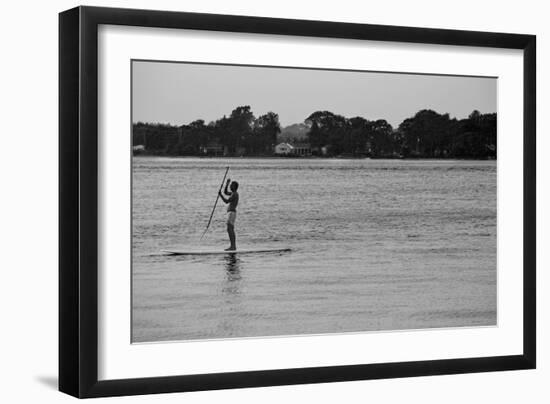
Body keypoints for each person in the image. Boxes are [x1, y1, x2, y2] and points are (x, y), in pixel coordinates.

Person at [219, 178, 239, 251]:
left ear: (235, 187)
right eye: (230, 185)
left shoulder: (234, 194)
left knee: (230, 229)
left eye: (231, 185)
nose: (230, 186)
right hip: (231, 213)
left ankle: (233, 246)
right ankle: (233, 246)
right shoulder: (233, 193)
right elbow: (226, 192)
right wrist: (226, 184)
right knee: (230, 229)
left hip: (231, 213)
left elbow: (226, 201)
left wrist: (220, 195)